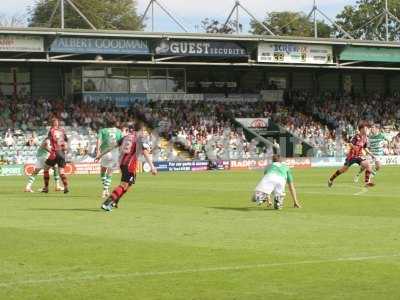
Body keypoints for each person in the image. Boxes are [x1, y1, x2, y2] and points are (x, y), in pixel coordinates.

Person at [96, 123, 157, 212]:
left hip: (123, 164)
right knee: (124, 185)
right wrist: (152, 167)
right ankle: (107, 203)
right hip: (130, 165)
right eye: (145, 131)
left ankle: (115, 202)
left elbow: (111, 147)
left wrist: (100, 155)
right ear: (141, 131)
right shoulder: (138, 140)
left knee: (129, 183)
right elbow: (145, 153)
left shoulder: (126, 137)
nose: (145, 133)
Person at [328, 123, 375, 188]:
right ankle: (331, 179)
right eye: (366, 128)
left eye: (367, 128)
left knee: (368, 165)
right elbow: (350, 143)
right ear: (361, 129)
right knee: (344, 169)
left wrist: (371, 154)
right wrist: (354, 147)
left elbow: (365, 148)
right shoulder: (356, 136)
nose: (367, 130)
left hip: (359, 156)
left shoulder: (365, 138)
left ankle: (367, 182)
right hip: (352, 156)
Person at [96, 123, 123, 198]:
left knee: (103, 170)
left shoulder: (103, 130)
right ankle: (105, 190)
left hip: (105, 152)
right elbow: (122, 143)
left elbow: (99, 140)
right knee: (110, 173)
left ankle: (106, 189)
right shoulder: (119, 131)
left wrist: (98, 152)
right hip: (115, 153)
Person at [43, 117, 69, 194]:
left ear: (51, 124)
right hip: (61, 153)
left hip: (54, 153)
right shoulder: (62, 131)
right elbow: (66, 142)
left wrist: (50, 150)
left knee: (46, 169)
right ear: (58, 123)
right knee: (61, 171)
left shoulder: (51, 131)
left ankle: (46, 187)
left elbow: (46, 143)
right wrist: (65, 150)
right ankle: (66, 187)